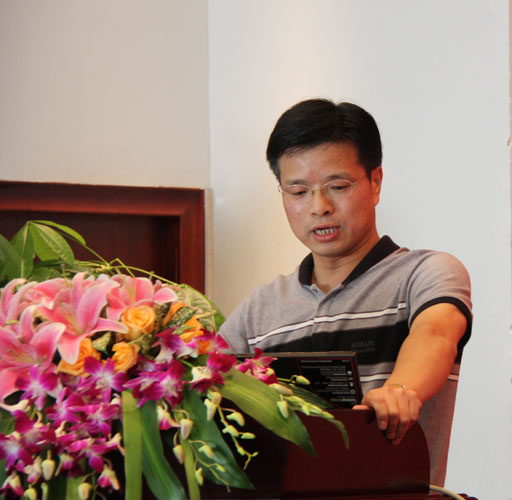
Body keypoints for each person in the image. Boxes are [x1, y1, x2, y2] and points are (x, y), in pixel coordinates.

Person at [219, 98, 472, 486]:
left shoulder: (424, 273)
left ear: (375, 182)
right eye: (298, 191)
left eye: (337, 186)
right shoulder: (258, 310)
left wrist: (400, 390)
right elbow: (206, 382)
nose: (319, 207)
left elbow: (436, 334)